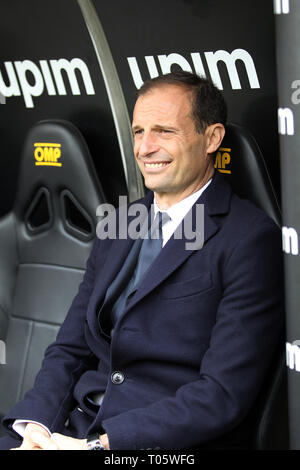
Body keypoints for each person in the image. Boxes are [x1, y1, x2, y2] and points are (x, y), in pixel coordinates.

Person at [0, 71, 283, 450]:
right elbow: (71, 348)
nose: (145, 148)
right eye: (138, 132)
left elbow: (222, 393)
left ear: (212, 138)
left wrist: (103, 446)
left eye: (164, 131)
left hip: (159, 446)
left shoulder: (249, 237)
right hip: (75, 427)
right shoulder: (119, 223)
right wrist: (33, 426)